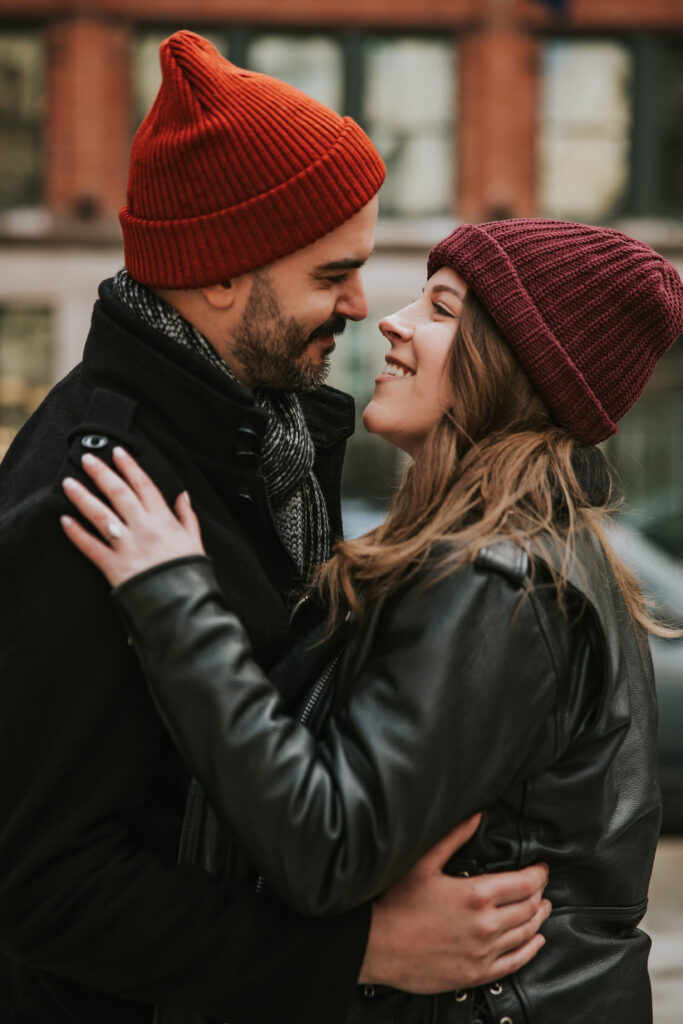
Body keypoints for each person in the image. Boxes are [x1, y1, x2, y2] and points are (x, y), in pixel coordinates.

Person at [0, 30, 549, 1024]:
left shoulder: (267, 444)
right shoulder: (93, 494)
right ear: (219, 272)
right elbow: (46, 888)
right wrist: (360, 948)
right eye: (329, 272)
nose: (355, 303)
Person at [61, 216, 683, 1024]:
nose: (391, 320)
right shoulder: (530, 554)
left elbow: (324, 846)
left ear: (514, 366)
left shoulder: (499, 578)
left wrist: (174, 601)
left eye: (441, 309)